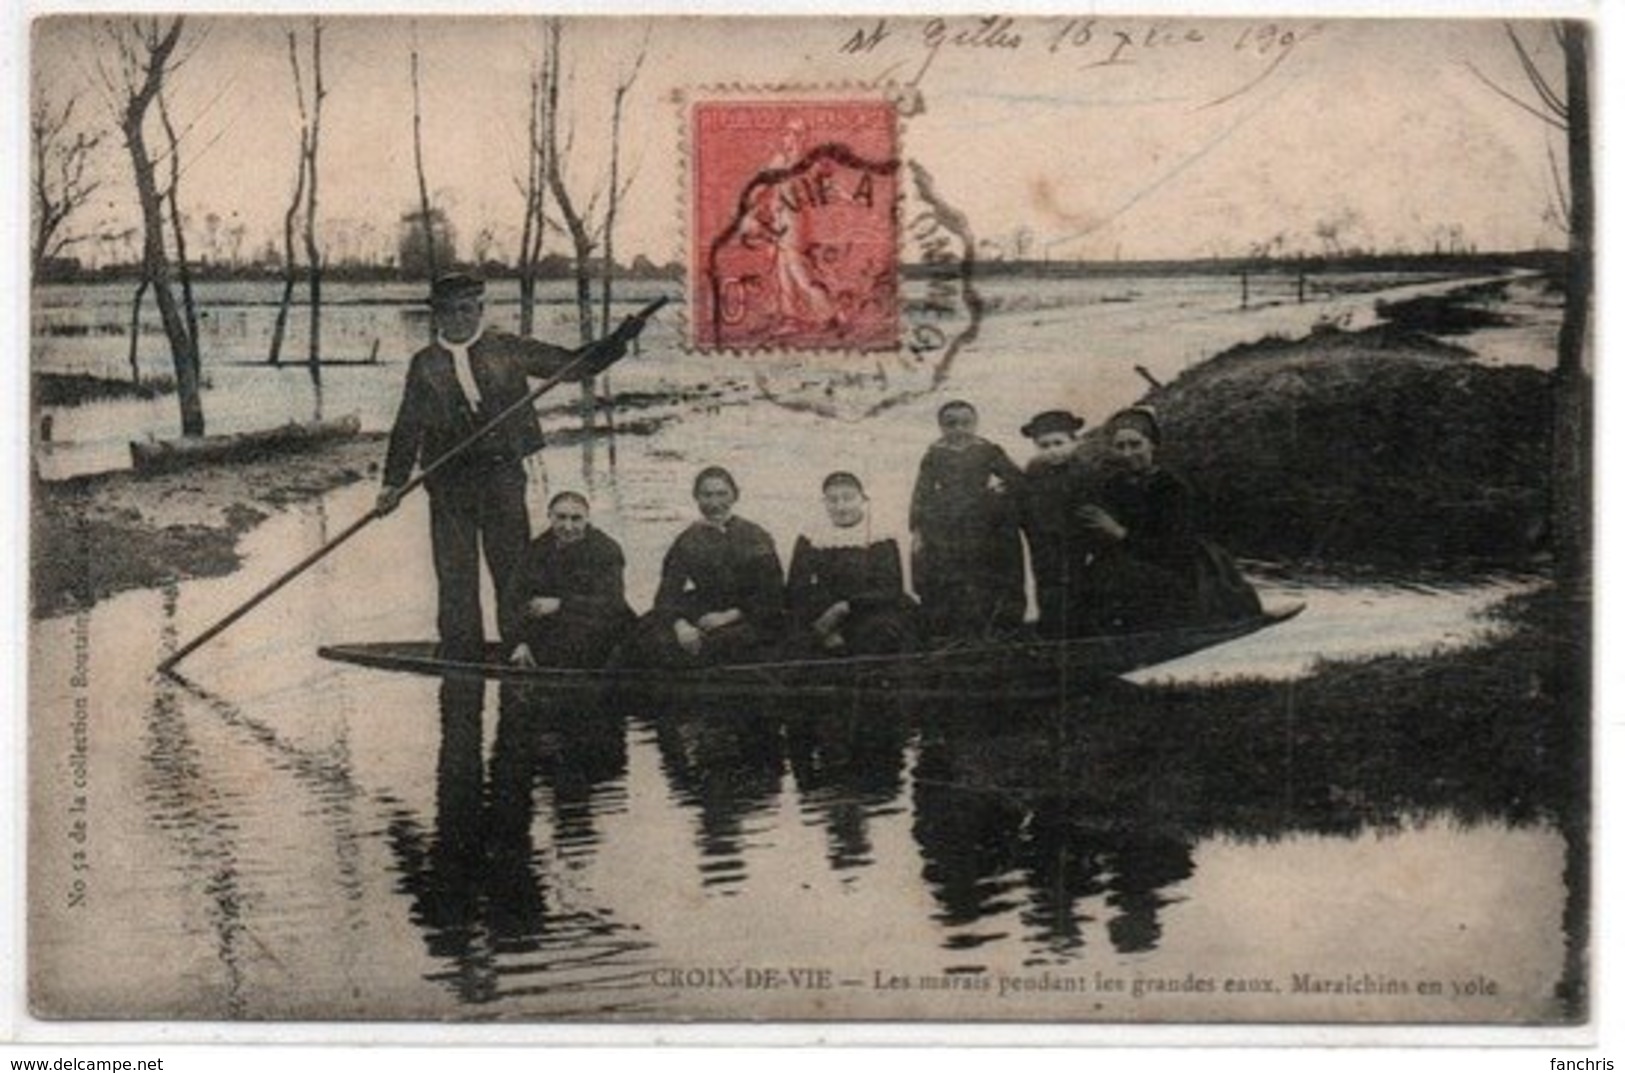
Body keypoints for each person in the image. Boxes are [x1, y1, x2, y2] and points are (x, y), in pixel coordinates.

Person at [376, 272, 625, 659]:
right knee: (455, 574)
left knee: (513, 570)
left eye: (466, 310)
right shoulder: (424, 364)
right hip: (448, 484)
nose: (459, 319)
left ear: (479, 310)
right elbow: (408, 424)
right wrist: (392, 483)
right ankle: (461, 652)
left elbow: (573, 365)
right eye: (449, 311)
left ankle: (519, 646)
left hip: (501, 477)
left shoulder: (507, 348)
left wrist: (618, 341)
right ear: (437, 316)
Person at [1077, 406, 1262, 632]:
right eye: (1120, 446)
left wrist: (1119, 532)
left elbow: (1174, 549)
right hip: (1130, 564)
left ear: (1152, 445)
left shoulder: (1172, 487)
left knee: (1125, 579)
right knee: (1092, 578)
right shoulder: (1113, 485)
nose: (1127, 453)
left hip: (1175, 571)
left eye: (1136, 445)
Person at [635, 466, 786, 666]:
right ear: (696, 497)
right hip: (704, 608)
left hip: (749, 614)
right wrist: (681, 625)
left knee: (720, 644)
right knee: (649, 636)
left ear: (735, 496)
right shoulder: (688, 539)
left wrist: (728, 616)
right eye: (707, 495)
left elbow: (772, 591)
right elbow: (668, 592)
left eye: (722, 494)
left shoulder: (755, 536)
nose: (715, 503)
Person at [909, 400, 1026, 641]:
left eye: (966, 423)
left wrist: (1001, 491)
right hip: (947, 524)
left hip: (985, 522)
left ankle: (998, 629)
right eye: (951, 424)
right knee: (954, 575)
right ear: (941, 427)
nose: (959, 429)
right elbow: (921, 492)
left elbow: (1015, 478)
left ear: (975, 424)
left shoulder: (988, 450)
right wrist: (918, 527)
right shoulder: (934, 455)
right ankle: (957, 632)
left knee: (989, 572)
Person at [786, 472, 918, 656]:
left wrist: (844, 607)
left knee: (879, 635)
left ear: (862, 499)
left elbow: (890, 587)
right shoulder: (811, 537)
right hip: (823, 614)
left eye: (848, 498)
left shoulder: (881, 535)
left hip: (869, 611)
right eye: (832, 500)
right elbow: (797, 586)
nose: (841, 507)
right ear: (824, 503)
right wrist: (825, 626)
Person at [501, 492, 636, 669]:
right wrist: (519, 642)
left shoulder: (606, 550)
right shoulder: (535, 550)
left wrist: (561, 604)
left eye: (576, 519)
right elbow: (514, 601)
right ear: (549, 516)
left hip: (601, 629)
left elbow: (612, 603)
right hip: (556, 630)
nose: (568, 526)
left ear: (587, 519)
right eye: (561, 517)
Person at [1019, 409, 1091, 640]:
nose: (1052, 451)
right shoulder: (1034, 471)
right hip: (1044, 542)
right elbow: (1025, 504)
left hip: (1077, 541)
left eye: (1059, 443)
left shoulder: (1083, 471)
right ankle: (1051, 634)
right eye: (1044, 445)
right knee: (1048, 587)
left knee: (1079, 586)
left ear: (1074, 441)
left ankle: (1080, 635)